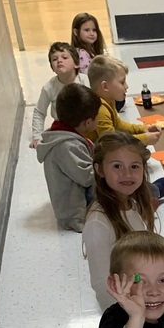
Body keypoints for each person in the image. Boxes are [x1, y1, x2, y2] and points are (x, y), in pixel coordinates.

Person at [82, 131, 164, 315]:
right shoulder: (98, 223)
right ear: (99, 170)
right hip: (128, 293)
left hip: (143, 272)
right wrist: (129, 312)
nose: (127, 173)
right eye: (117, 166)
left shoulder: (131, 201)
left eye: (134, 166)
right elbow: (101, 283)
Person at [35, 83, 100, 232]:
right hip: (76, 212)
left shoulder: (60, 134)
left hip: (74, 201)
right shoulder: (68, 146)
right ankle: (151, 192)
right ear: (88, 122)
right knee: (117, 183)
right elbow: (87, 177)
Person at [86, 55, 160, 144]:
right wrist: (144, 139)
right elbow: (112, 143)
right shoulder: (100, 109)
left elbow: (118, 124)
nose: (126, 86)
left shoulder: (108, 99)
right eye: (122, 82)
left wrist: (143, 129)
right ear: (105, 86)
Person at [29, 43, 90, 148]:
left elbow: (92, 104)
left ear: (76, 64)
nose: (59, 61)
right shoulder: (49, 87)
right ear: (52, 68)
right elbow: (39, 112)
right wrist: (37, 136)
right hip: (61, 126)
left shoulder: (84, 80)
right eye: (54, 59)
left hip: (83, 123)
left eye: (64, 57)